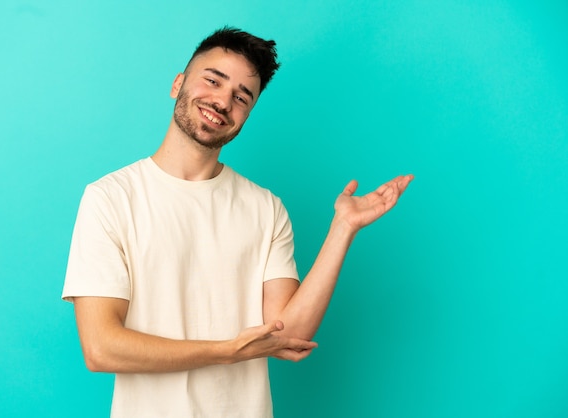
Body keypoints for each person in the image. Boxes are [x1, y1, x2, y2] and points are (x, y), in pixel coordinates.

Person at [62, 27, 413, 418]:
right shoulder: (110, 198)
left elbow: (288, 335)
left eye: (241, 97)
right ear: (179, 83)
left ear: (246, 115)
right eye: (213, 80)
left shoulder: (266, 208)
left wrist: (343, 228)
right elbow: (101, 347)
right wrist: (224, 352)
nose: (222, 101)